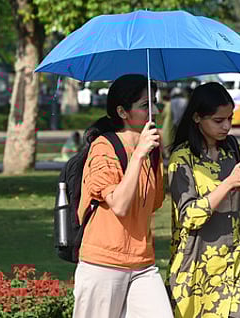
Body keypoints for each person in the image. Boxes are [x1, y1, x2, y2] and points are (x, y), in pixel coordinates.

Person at [166, 82, 240, 318]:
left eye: (229, 118)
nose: (226, 126)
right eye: (218, 120)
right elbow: (189, 217)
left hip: (233, 264)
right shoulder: (182, 159)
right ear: (196, 118)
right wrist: (228, 184)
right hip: (195, 268)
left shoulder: (232, 149)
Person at [72, 74, 173, 318]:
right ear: (122, 111)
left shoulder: (152, 150)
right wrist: (138, 156)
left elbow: (153, 202)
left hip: (142, 262)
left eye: (155, 102)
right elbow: (119, 205)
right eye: (145, 105)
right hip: (102, 263)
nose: (155, 110)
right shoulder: (103, 147)